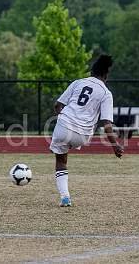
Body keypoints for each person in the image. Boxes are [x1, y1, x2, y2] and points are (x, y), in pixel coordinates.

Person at [49, 54, 124, 207]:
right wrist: (115, 145)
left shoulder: (78, 83)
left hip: (64, 126)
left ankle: (65, 197)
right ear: (106, 74)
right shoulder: (106, 93)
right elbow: (107, 125)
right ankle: (65, 198)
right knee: (71, 146)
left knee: (61, 160)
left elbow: (57, 105)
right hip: (83, 134)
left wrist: (62, 118)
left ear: (91, 72)